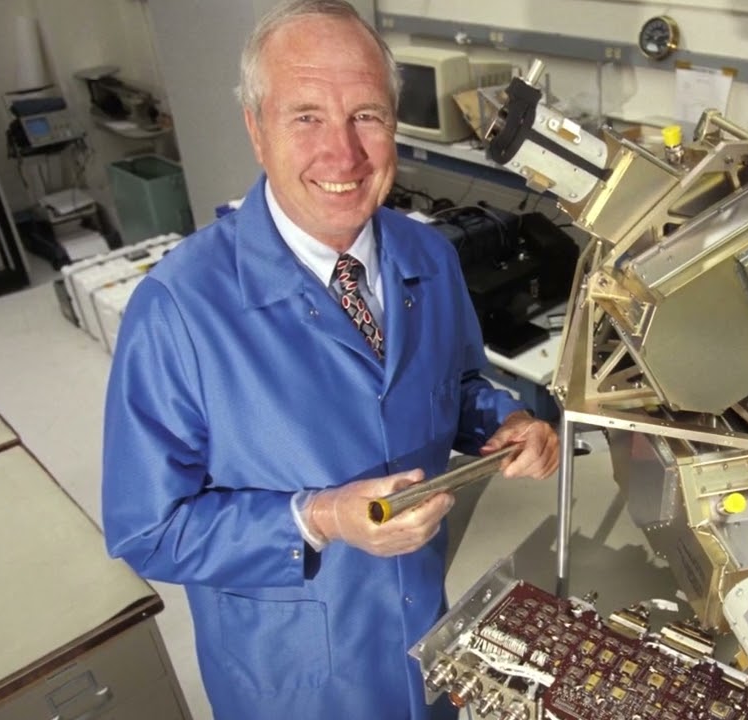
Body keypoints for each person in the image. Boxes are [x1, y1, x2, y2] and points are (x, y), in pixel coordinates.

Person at [100, 1, 560, 718]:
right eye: (306, 116)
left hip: (423, 637)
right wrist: (317, 518)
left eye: (366, 116)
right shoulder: (177, 309)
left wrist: (505, 422)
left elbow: (460, 381)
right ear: (256, 129)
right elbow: (147, 529)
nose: (343, 155)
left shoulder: (428, 255)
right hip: (295, 680)